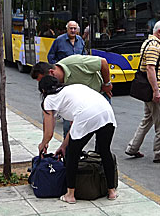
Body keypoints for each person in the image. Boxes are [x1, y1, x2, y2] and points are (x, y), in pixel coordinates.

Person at [37, 75, 118, 204]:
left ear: (43, 91)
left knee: (72, 155)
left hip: (86, 114)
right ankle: (111, 191)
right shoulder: (73, 88)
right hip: (106, 111)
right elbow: (75, 124)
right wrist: (63, 146)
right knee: (105, 151)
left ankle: (70, 194)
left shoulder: (49, 100)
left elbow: (49, 132)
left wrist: (43, 144)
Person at [125, 20, 160, 163]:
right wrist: (156, 91)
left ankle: (133, 147)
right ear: (158, 32)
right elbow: (150, 68)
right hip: (157, 90)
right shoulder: (153, 47)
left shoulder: (151, 43)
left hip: (153, 89)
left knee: (147, 120)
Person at [30, 55, 112, 136]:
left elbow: (103, 62)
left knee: (103, 128)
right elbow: (49, 114)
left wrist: (107, 84)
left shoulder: (76, 63)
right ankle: (67, 148)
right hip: (80, 106)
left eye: (43, 80)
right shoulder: (54, 84)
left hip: (99, 94)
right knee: (69, 128)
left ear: (51, 72)